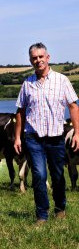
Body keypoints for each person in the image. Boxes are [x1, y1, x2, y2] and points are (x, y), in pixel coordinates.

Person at [14, 42, 79, 225]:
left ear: (48, 58)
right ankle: (41, 215)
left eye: (41, 57)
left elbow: (73, 106)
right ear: (30, 60)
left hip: (56, 139)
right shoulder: (27, 84)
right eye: (34, 58)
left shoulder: (62, 80)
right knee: (39, 176)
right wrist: (18, 137)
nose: (38, 60)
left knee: (58, 176)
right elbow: (20, 112)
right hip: (33, 138)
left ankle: (60, 209)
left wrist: (77, 133)